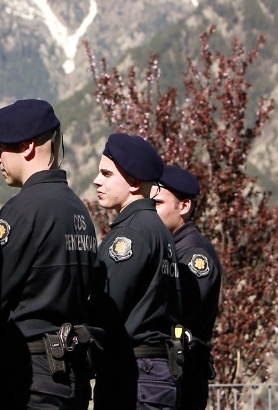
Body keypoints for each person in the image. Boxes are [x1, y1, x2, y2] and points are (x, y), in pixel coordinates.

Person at [0, 99, 98, 409]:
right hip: (73, 374)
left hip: (29, 374)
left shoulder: (24, 209)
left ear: (26, 147)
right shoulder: (79, 211)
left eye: (1, 147)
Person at [91, 133, 180, 410]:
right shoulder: (158, 230)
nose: (97, 180)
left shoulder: (131, 234)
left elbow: (105, 310)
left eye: (107, 174)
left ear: (133, 183)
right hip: (154, 372)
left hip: (133, 375)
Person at [153, 164, 222, 410]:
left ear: (184, 206)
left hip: (183, 378)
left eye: (157, 203)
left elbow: (179, 314)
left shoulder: (193, 254)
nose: (151, 211)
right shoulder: (171, 248)